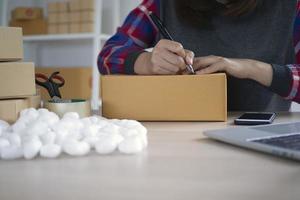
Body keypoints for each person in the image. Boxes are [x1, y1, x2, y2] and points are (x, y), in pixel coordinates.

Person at [98, 0, 300, 111]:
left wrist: (250, 68)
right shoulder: (161, 5)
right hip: (179, 138)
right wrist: (147, 62)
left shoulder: (291, 7)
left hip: (257, 136)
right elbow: (108, 56)